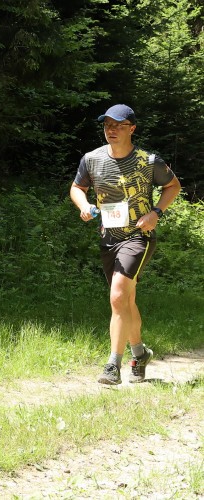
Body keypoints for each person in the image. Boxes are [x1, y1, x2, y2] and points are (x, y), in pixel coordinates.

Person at [70, 104, 181, 385]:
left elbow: (173, 186)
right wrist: (83, 205)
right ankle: (139, 353)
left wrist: (156, 213)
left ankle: (112, 365)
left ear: (132, 128)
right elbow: (77, 188)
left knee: (118, 295)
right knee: (126, 300)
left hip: (138, 236)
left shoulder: (148, 161)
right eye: (107, 125)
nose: (111, 130)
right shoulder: (91, 159)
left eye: (118, 125)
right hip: (108, 238)